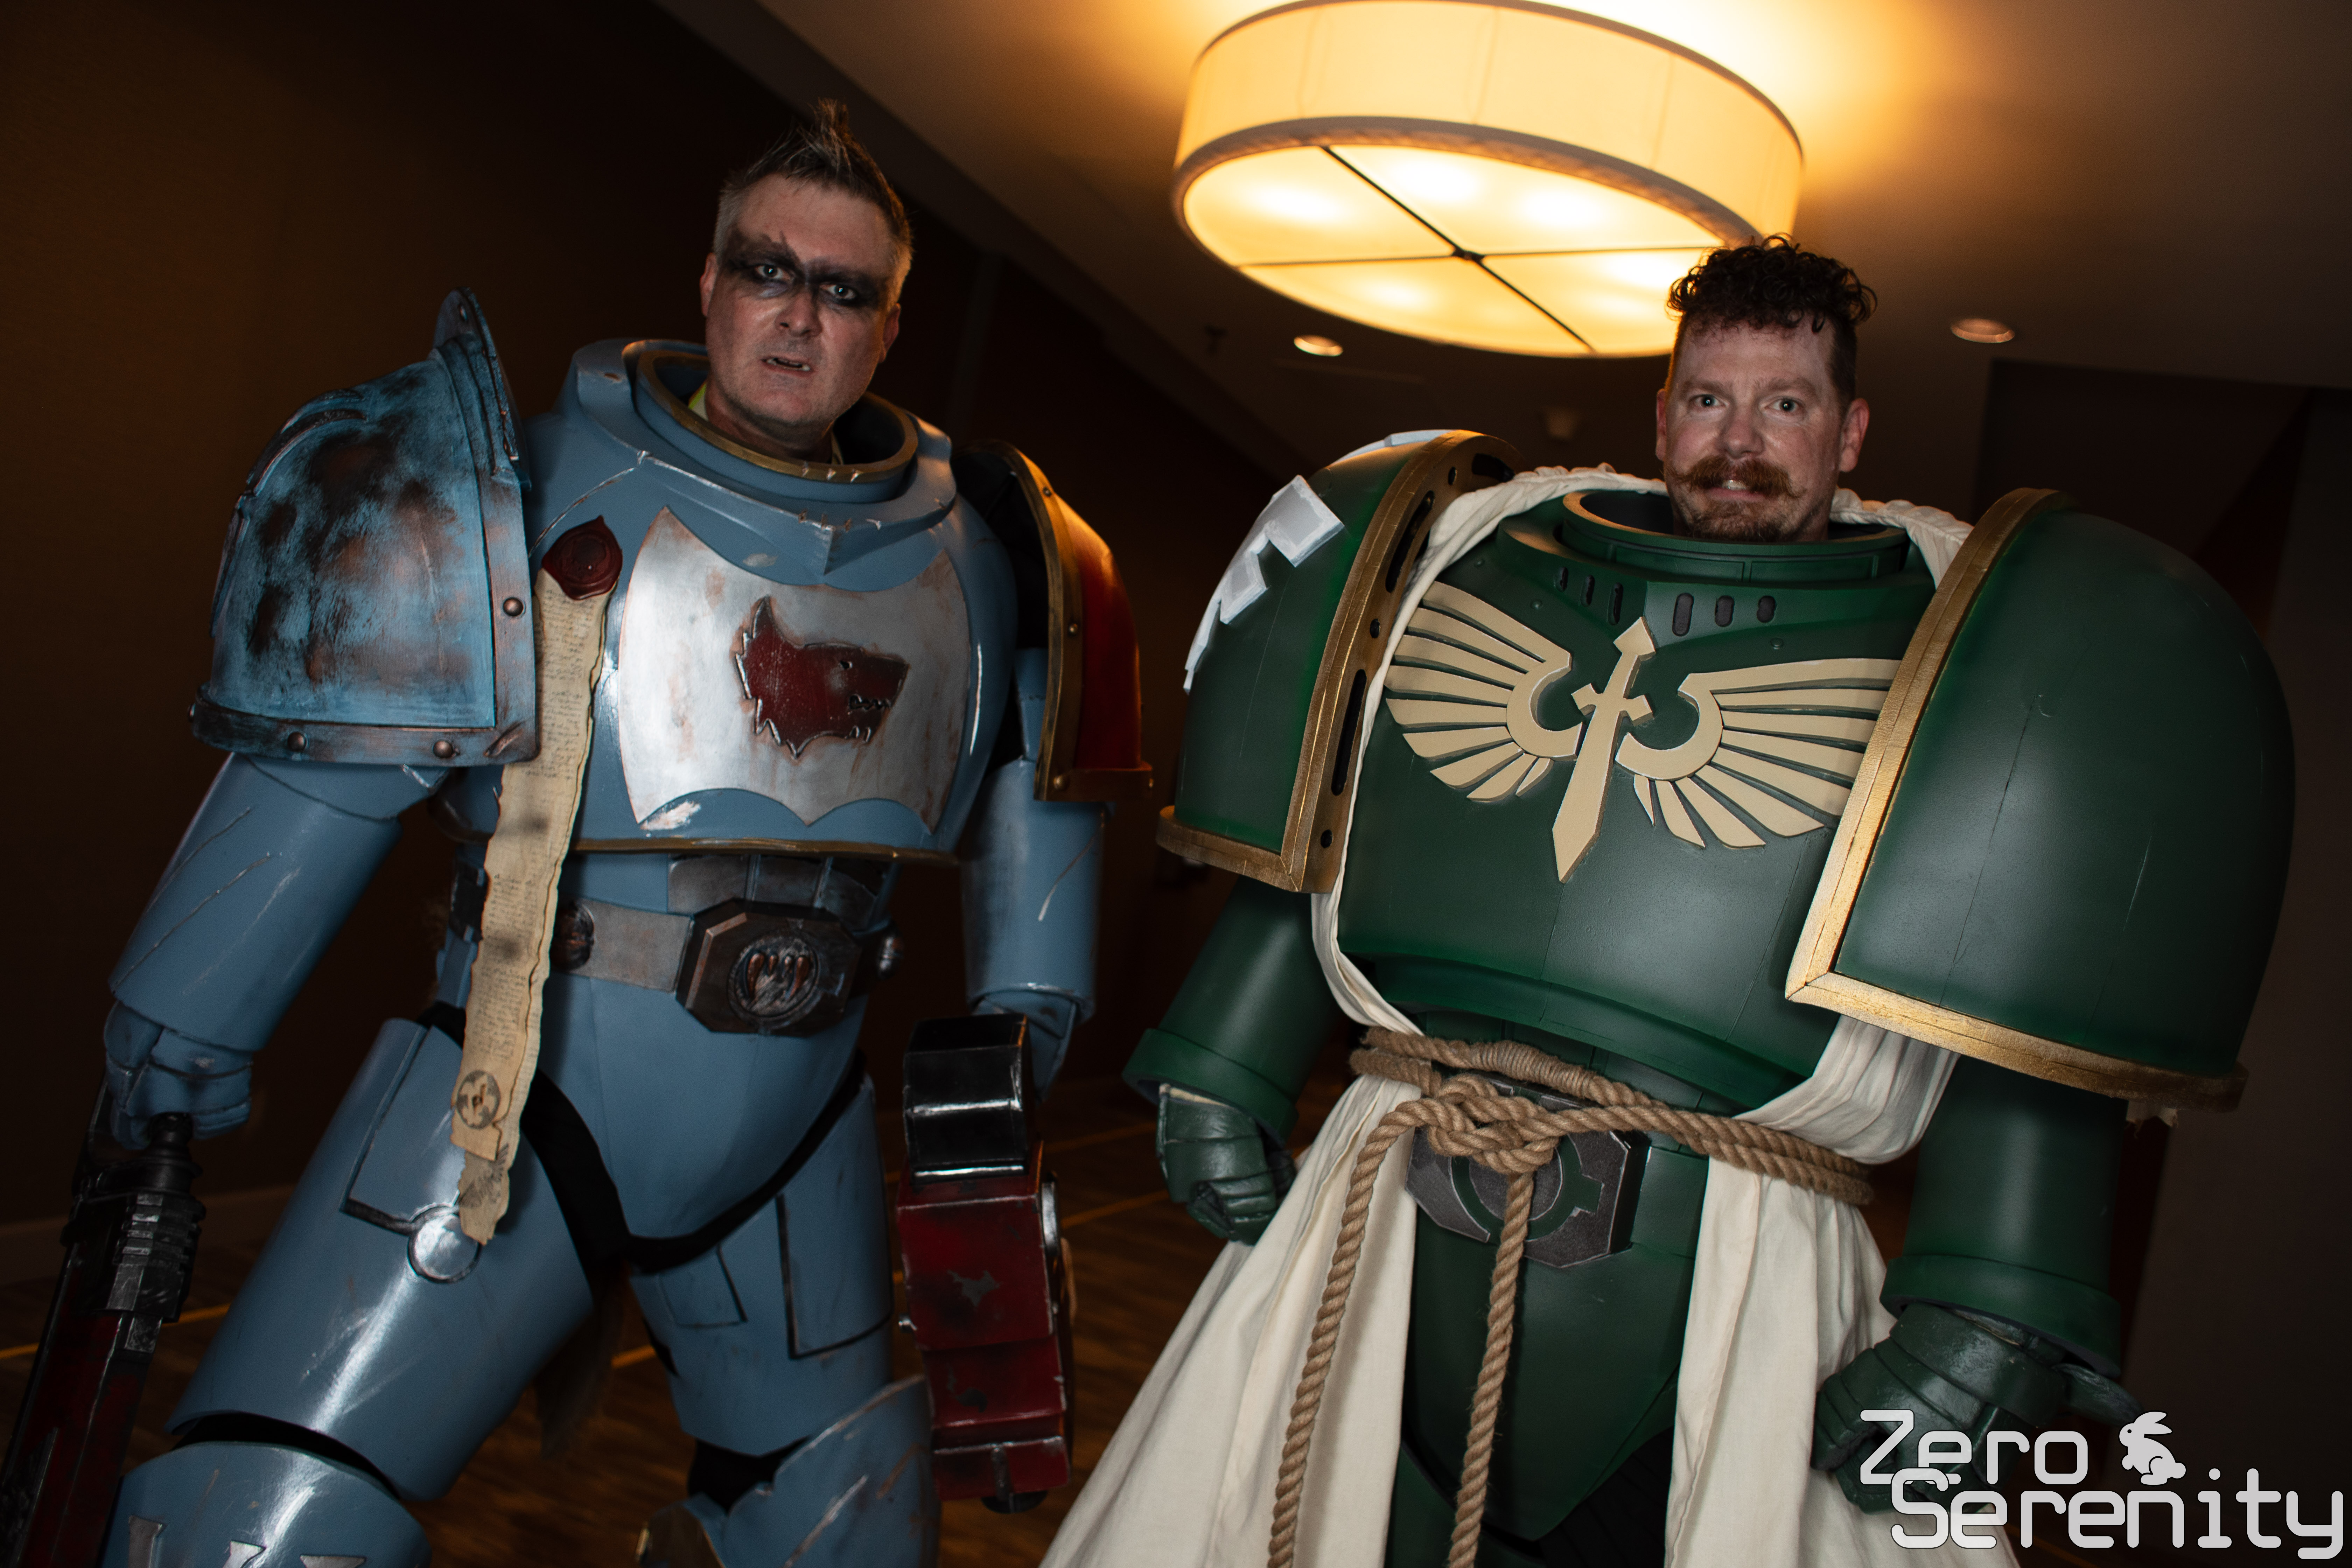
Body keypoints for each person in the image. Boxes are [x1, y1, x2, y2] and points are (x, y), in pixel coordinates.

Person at [1045, 237, 2289, 1568]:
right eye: (1709, 399)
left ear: (1850, 430)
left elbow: (2016, 1001)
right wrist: (1221, 1056)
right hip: (1391, 1211)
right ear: (1663, 414)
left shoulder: (1981, 646)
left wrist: (1992, 1304)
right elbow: (1341, 817)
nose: (1738, 441)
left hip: (1737, 1266)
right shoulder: (1457, 554)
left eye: (1785, 403)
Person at [90, 101, 1147, 1567]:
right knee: (266, 1528)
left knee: (845, 1525)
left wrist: (1018, 1043)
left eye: (844, 290)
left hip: (798, 1132)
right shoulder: (497, 487)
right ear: (709, 282)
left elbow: (1042, 825)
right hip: (515, 1092)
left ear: (890, 326)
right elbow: (317, 791)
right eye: (767, 269)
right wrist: (178, 1047)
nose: (799, 315)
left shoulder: (998, 555)